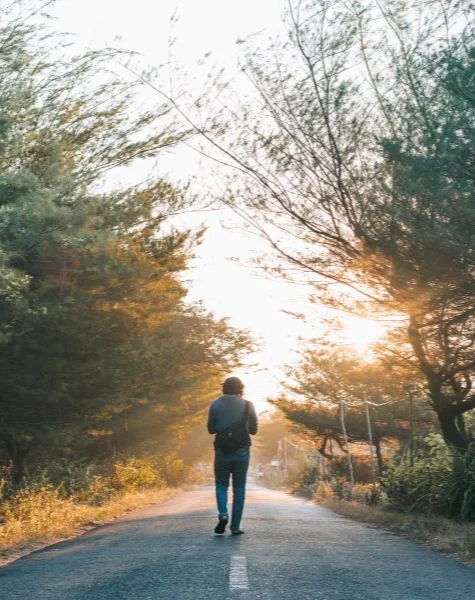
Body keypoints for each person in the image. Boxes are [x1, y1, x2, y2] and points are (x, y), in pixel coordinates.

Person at [207, 376, 258, 536]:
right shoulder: (248, 405)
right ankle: (235, 527)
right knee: (239, 489)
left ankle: (223, 514)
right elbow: (253, 430)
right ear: (241, 389)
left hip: (222, 450)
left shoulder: (215, 404)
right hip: (242, 450)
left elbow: (211, 429)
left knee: (221, 485)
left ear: (223, 388)